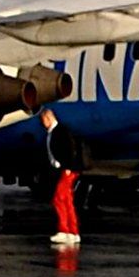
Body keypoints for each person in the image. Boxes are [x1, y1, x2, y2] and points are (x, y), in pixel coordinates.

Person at [35, 104, 82, 251]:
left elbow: (70, 150)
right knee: (67, 200)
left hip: (66, 170)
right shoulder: (51, 133)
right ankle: (73, 232)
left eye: (44, 120)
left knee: (59, 199)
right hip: (59, 170)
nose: (43, 124)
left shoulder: (61, 131)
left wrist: (68, 168)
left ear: (49, 118)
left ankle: (64, 230)